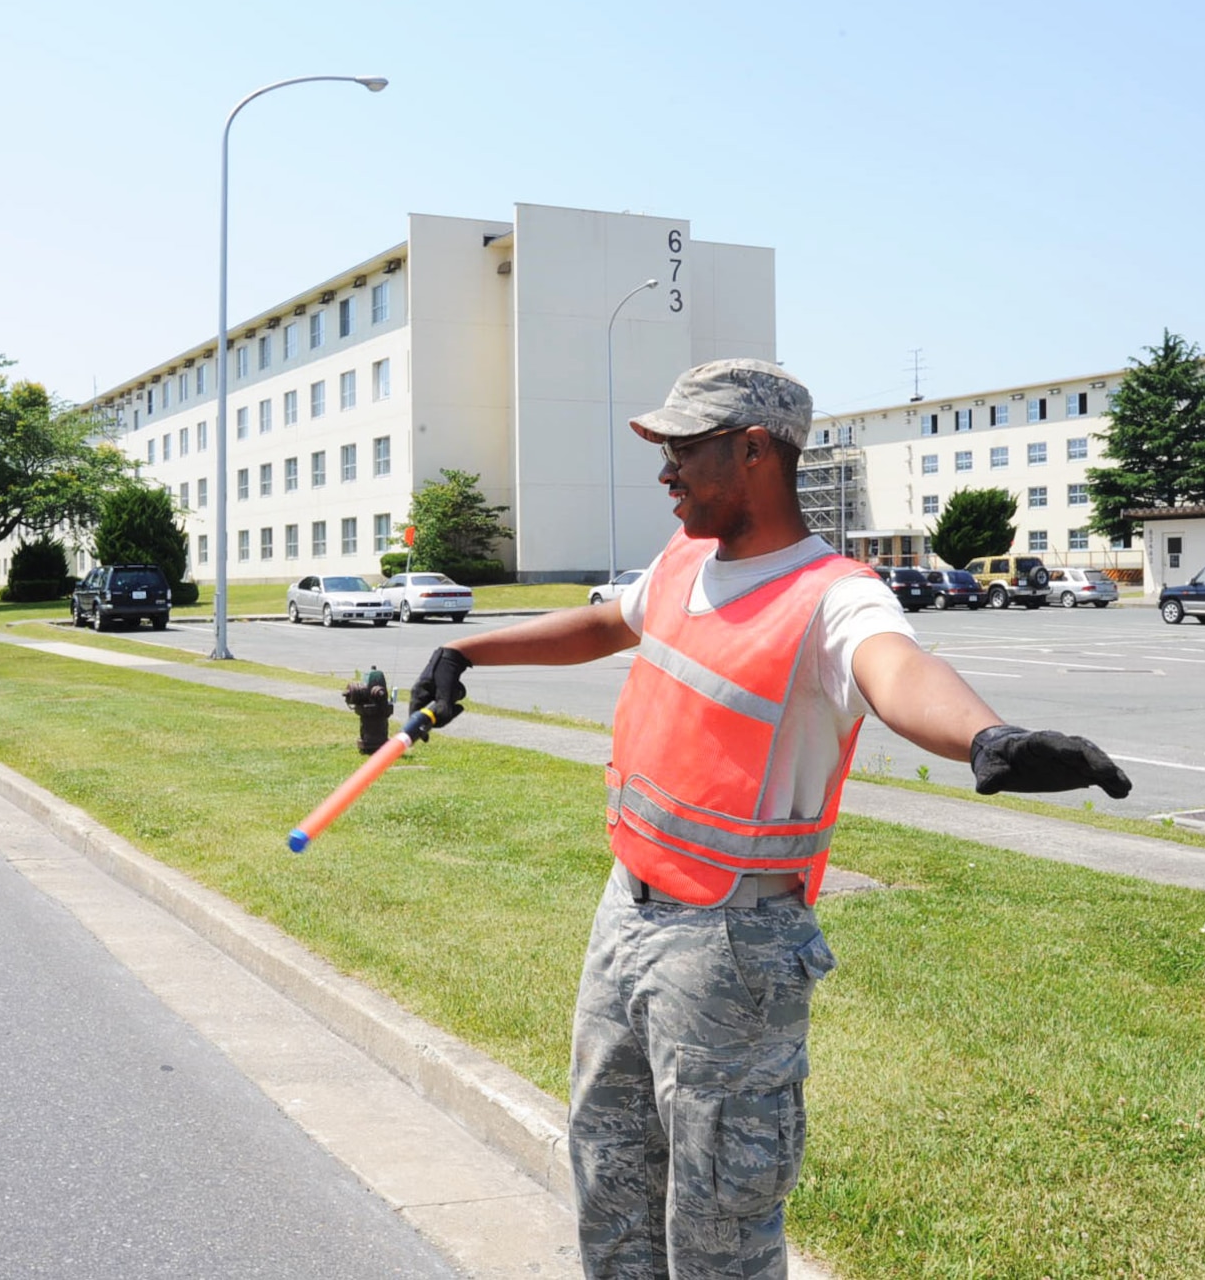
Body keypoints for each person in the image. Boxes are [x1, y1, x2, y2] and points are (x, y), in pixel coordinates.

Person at [409, 359, 1130, 1280]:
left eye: (683, 450)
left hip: (733, 945)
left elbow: (896, 670)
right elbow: (601, 624)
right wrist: (465, 648)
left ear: (753, 451)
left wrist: (986, 736)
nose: (665, 471)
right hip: (625, 911)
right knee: (611, 1184)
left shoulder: (833, 594)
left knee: (720, 1229)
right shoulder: (681, 564)